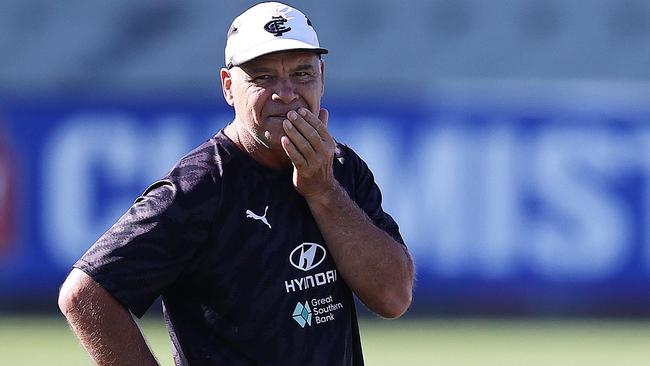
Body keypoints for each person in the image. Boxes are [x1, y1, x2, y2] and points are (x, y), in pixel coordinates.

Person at [58, 2, 414, 365]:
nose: (286, 93)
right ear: (229, 87)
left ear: (322, 76)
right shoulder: (201, 188)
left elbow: (393, 297)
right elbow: (84, 295)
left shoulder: (340, 167)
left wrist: (323, 191)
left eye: (302, 73)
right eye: (263, 77)